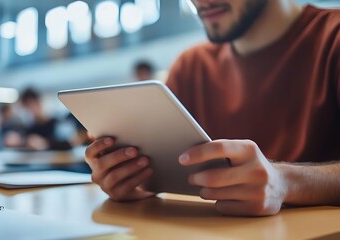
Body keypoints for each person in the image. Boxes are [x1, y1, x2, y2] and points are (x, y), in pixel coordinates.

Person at [85, 0, 340, 217]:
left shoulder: (333, 38)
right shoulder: (191, 67)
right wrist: (137, 180)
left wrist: (286, 182)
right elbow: (164, 175)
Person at [20, 88, 84, 151]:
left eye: (30, 105)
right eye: (26, 108)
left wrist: (45, 143)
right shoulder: (31, 129)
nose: (29, 111)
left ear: (38, 102)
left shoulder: (57, 123)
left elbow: (69, 143)